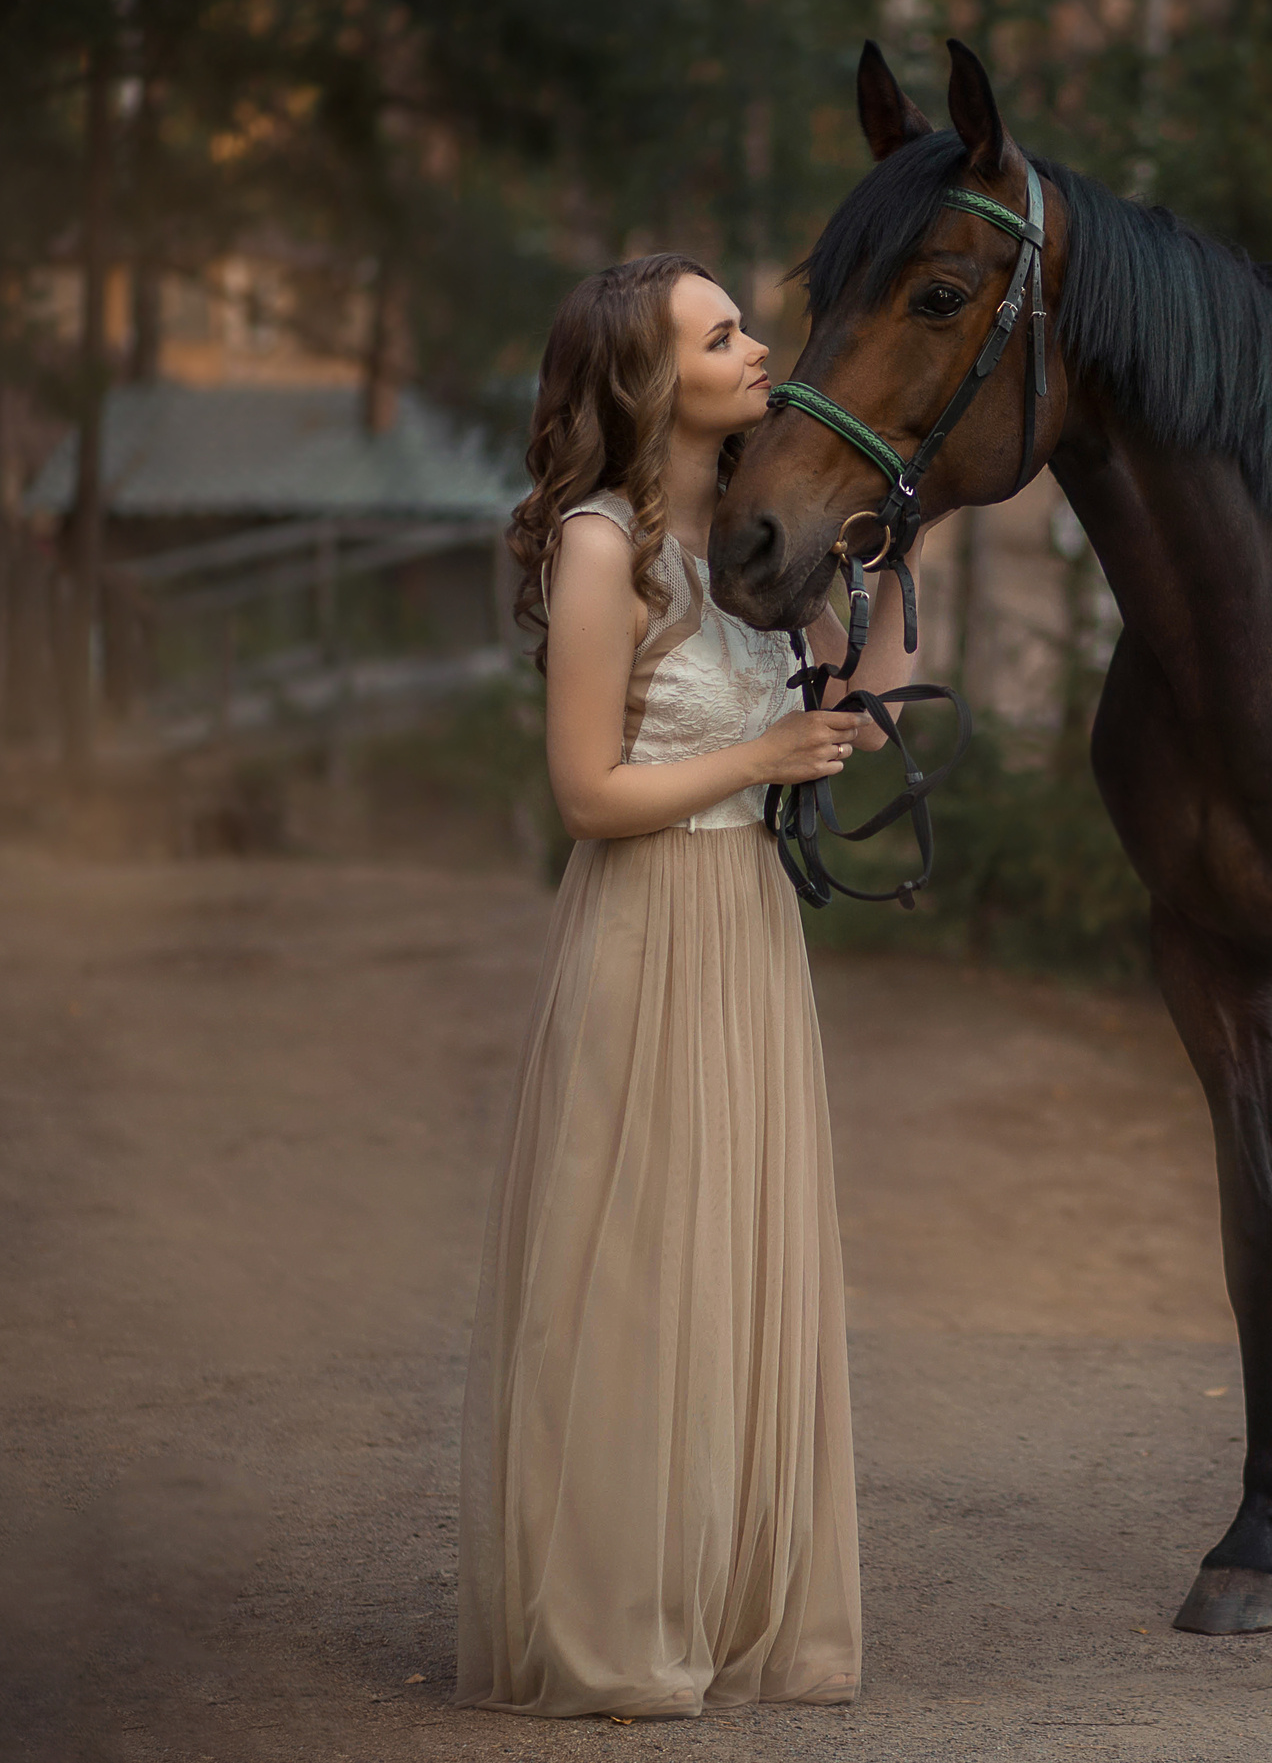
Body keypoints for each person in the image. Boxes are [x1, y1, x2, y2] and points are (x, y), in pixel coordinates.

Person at [456, 253, 908, 1718]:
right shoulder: (602, 546)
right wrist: (759, 760)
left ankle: (737, 1607)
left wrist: (880, 564)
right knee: (646, 1273)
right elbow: (588, 791)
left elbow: (867, 719)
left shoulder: (742, 535)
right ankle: (618, 1620)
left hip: (749, 938)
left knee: (746, 1266)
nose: (758, 344)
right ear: (654, 381)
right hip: (647, 933)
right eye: (723, 335)